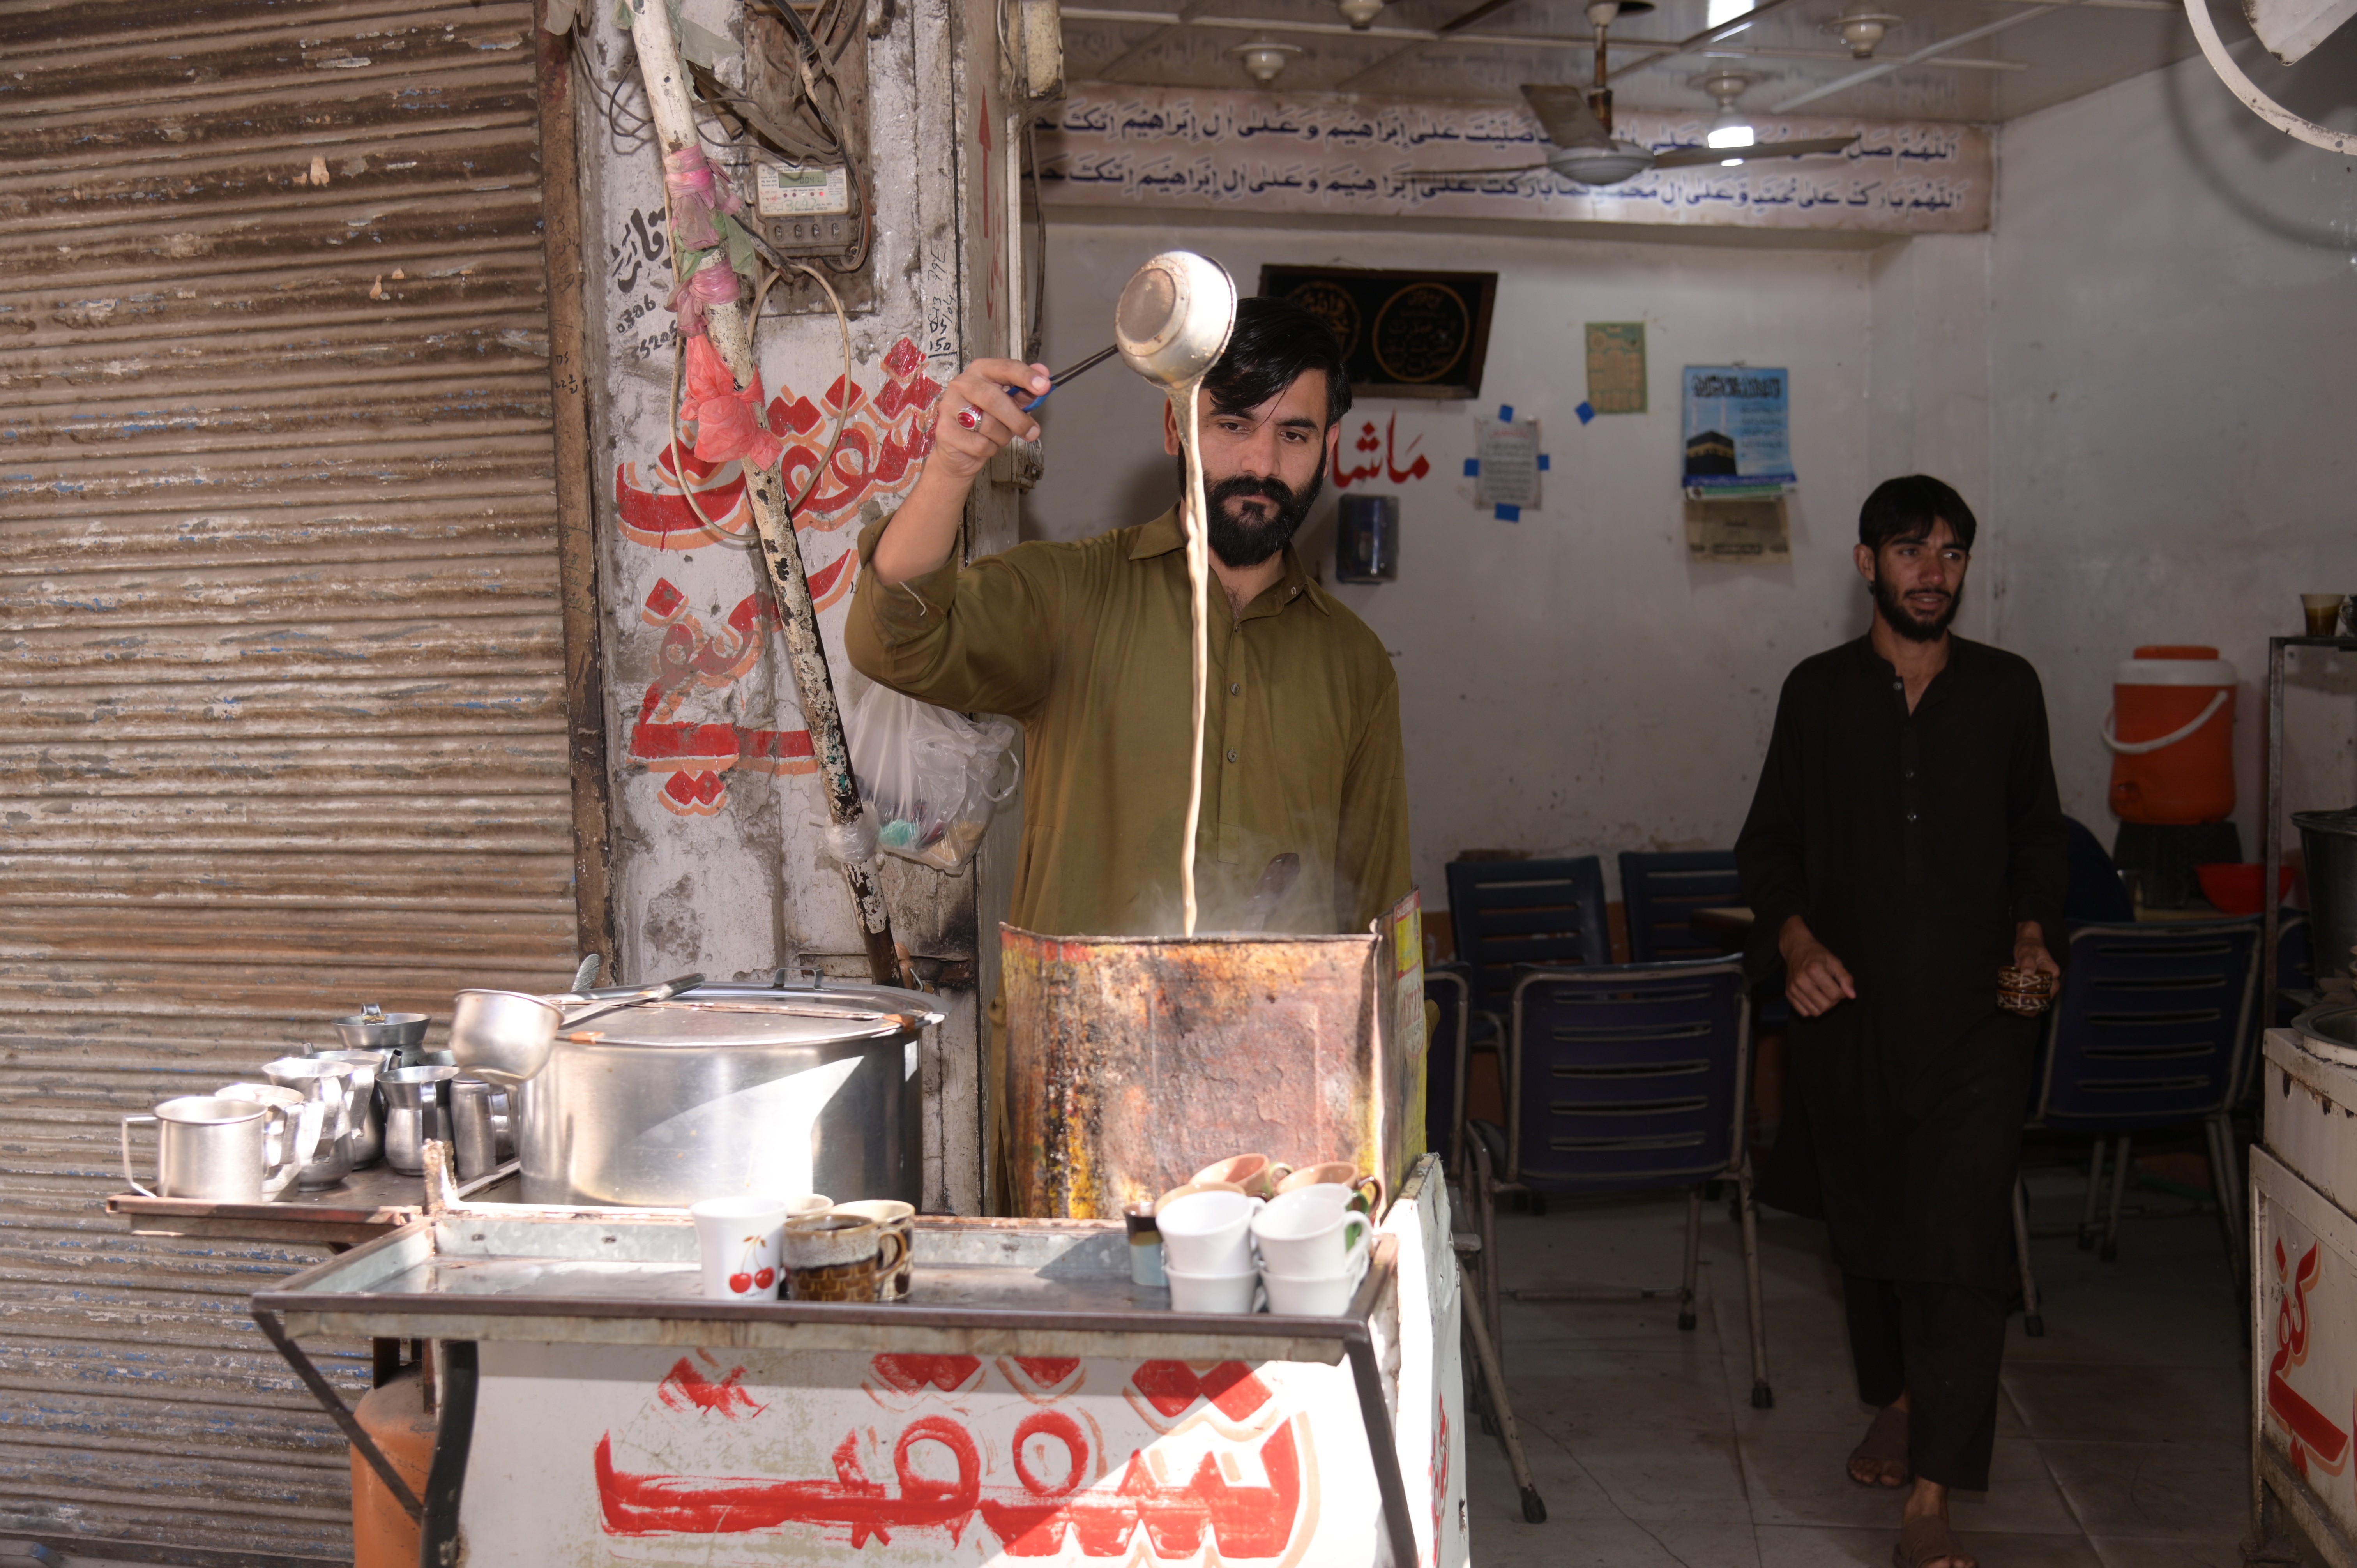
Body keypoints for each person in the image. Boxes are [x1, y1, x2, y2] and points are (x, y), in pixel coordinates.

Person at [845, 294, 1412, 938]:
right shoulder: (1071, 593)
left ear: (1329, 445)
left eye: (1293, 434)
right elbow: (894, 643)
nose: (1262, 464)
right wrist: (951, 467)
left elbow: (1380, 903)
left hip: (1276, 1033)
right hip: (1082, 1031)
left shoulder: (1355, 663)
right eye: (1231, 425)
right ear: (1175, 428)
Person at [1735, 474, 2067, 1568]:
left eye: (1954, 553)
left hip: (1982, 1021)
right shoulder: (1817, 693)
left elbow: (2040, 838)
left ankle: (1932, 1498)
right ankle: (1901, 1395)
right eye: (1913, 551)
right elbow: (1770, 846)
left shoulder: (2010, 691)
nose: (1935, 573)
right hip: (1852, 1019)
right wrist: (1796, 946)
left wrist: (2031, 935)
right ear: (1867, 563)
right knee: (1871, 1228)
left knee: (1963, 1242)